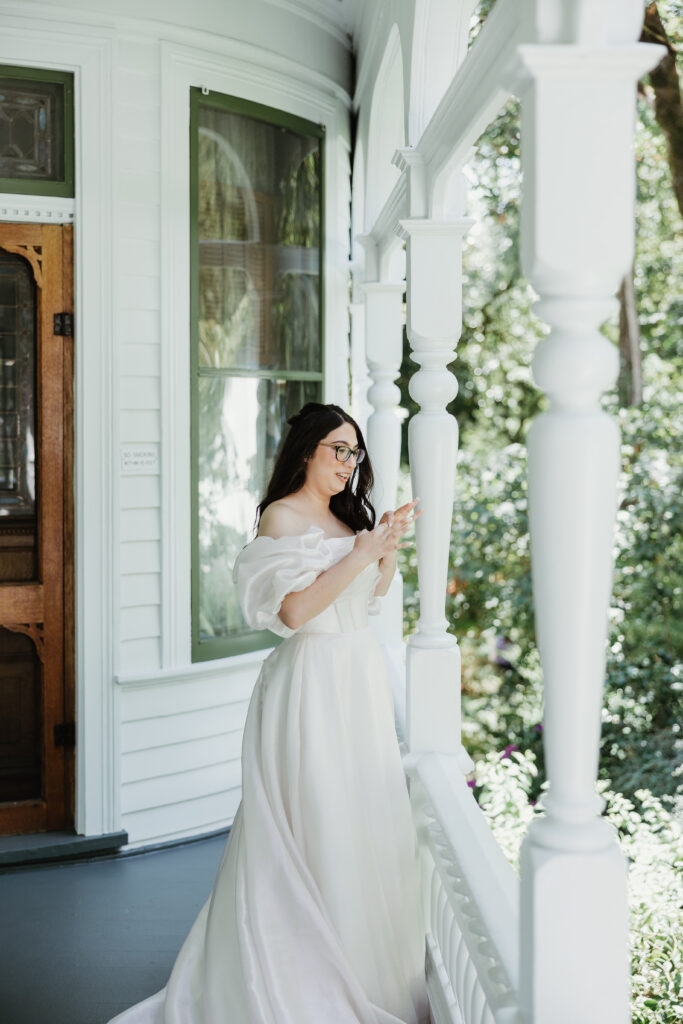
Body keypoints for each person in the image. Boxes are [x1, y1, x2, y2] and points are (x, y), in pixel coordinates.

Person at [108, 402, 429, 1024]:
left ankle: (366, 964)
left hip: (357, 677)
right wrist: (360, 556)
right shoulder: (281, 517)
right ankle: (291, 968)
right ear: (307, 451)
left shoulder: (347, 517)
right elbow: (291, 615)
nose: (348, 463)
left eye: (355, 453)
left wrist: (383, 549)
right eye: (339, 449)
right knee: (313, 818)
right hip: (311, 681)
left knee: (361, 816)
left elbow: (373, 597)